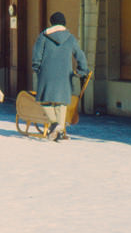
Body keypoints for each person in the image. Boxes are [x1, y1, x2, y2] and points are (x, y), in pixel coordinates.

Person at [31, 10, 89, 141]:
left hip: (46, 73)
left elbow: (37, 55)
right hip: (65, 75)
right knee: (61, 103)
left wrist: (36, 68)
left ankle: (54, 123)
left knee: (44, 100)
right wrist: (82, 70)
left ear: (51, 23)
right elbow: (80, 55)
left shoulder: (43, 36)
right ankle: (61, 130)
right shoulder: (70, 38)